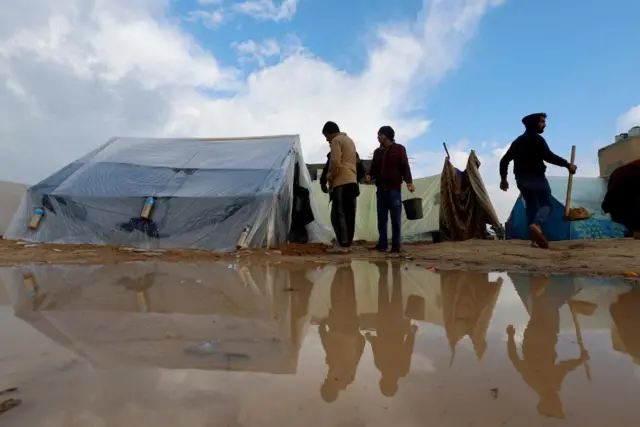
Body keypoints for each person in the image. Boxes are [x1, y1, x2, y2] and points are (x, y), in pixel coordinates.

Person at [499, 113, 577, 249]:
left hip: (521, 180)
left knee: (531, 207)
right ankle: (537, 224)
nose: (544, 124)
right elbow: (549, 156)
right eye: (541, 122)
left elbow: (504, 160)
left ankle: (534, 240)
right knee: (547, 204)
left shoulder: (517, 142)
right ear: (534, 123)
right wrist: (567, 165)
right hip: (537, 178)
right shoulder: (537, 140)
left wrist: (503, 179)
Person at [366, 126, 415, 253]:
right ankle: (382, 244)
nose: (378, 137)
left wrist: (409, 182)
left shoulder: (399, 149)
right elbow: (373, 169)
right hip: (381, 190)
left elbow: (405, 166)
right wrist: (369, 175)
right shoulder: (377, 152)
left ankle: (396, 246)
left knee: (395, 219)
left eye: (379, 135)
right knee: (381, 219)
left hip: (394, 189)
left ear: (386, 136)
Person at [322, 121, 359, 252]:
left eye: (326, 136)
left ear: (330, 132)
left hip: (341, 182)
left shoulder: (336, 140)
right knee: (350, 213)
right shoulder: (349, 140)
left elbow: (335, 161)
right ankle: (347, 242)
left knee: (339, 214)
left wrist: (330, 176)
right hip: (352, 181)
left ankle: (342, 244)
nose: (327, 140)